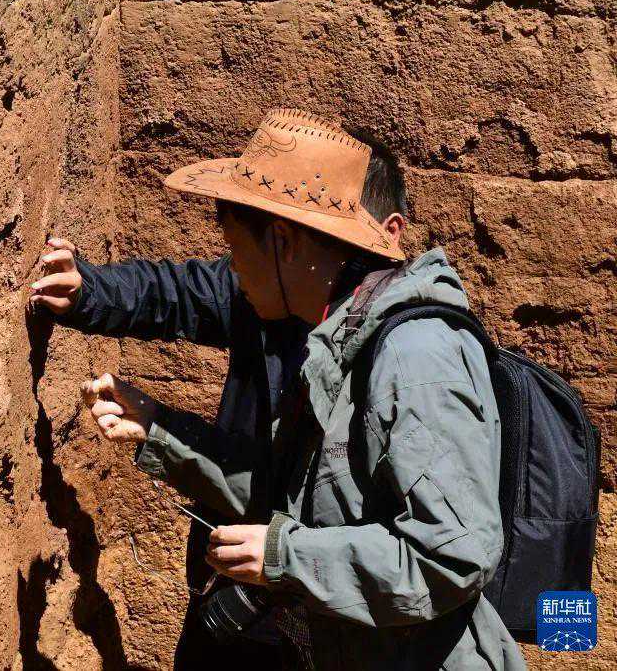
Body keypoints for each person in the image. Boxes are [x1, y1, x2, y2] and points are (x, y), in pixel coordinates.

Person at [73, 109, 527, 669]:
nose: (234, 272)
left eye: (237, 251)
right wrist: (163, 431)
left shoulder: (418, 358)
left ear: (285, 243)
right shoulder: (337, 341)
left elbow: (453, 555)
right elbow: (300, 498)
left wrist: (286, 556)